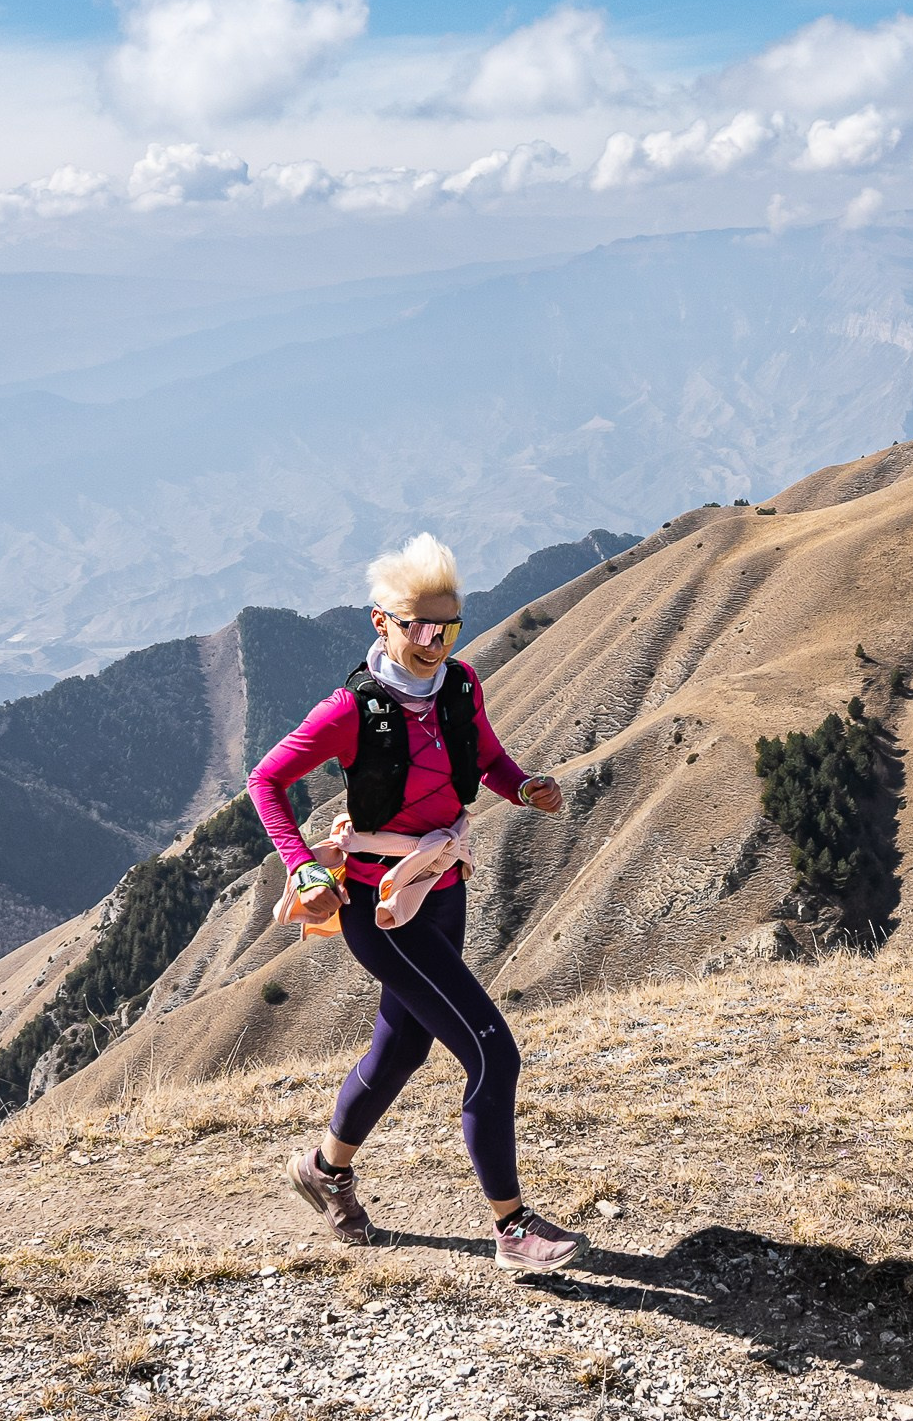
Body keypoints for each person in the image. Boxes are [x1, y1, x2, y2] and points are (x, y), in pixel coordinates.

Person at [248, 533, 585, 1272]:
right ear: (382, 624)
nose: (433, 641)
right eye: (417, 626)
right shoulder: (349, 709)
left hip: (444, 890)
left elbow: (487, 758)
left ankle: (324, 1172)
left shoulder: (461, 686)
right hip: (381, 908)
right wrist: (301, 865)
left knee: (401, 1045)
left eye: (447, 626)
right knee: (494, 1054)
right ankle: (514, 1228)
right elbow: (265, 781)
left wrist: (524, 787)